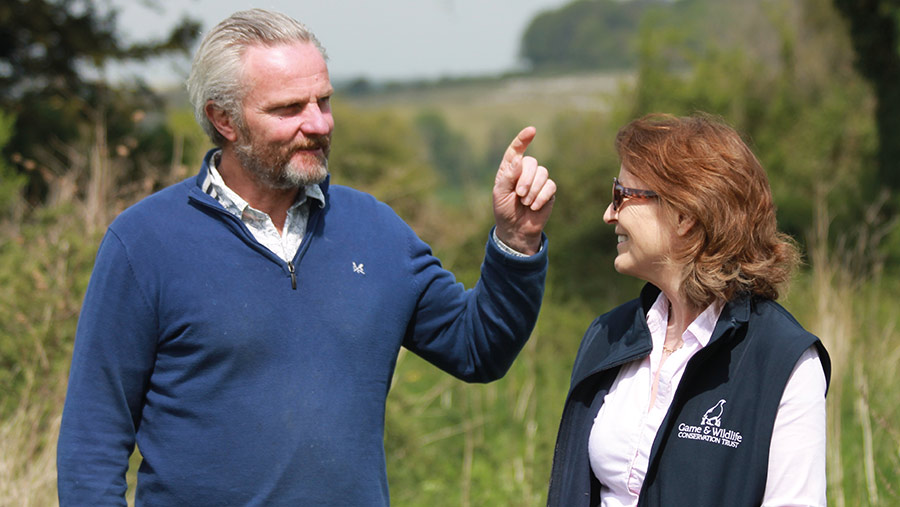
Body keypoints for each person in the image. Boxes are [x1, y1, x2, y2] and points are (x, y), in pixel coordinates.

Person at [57, 9, 556, 505]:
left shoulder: (374, 229)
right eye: (289, 108)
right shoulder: (144, 242)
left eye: (323, 101)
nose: (317, 123)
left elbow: (477, 348)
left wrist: (517, 240)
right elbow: (92, 446)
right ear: (223, 119)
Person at [546, 113, 830, 507]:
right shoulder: (607, 336)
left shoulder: (784, 359)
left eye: (621, 196)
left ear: (685, 216)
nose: (609, 214)